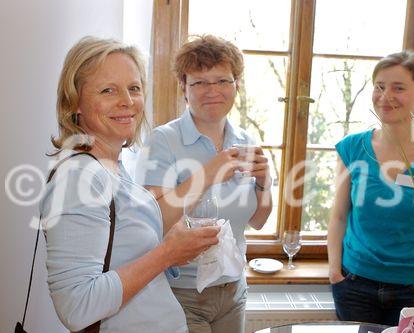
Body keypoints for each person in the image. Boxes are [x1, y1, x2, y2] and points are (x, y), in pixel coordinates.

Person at [40, 36, 220, 333]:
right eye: (108, 90)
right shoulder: (80, 179)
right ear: (75, 103)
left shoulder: (113, 167)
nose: (127, 101)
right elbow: (76, 307)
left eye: (134, 88)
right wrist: (167, 254)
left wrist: (172, 245)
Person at [135, 35, 273, 333]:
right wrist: (207, 174)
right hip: (181, 292)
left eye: (223, 80)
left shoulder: (246, 142)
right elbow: (152, 222)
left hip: (234, 289)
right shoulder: (163, 140)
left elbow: (259, 221)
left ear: (237, 84)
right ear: (184, 88)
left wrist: (265, 182)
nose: (213, 91)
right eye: (199, 82)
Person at [326, 51, 414, 326]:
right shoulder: (352, 148)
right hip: (354, 285)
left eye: (398, 88)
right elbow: (339, 215)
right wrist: (334, 272)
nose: (385, 96)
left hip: (413, 289)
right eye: (379, 86)